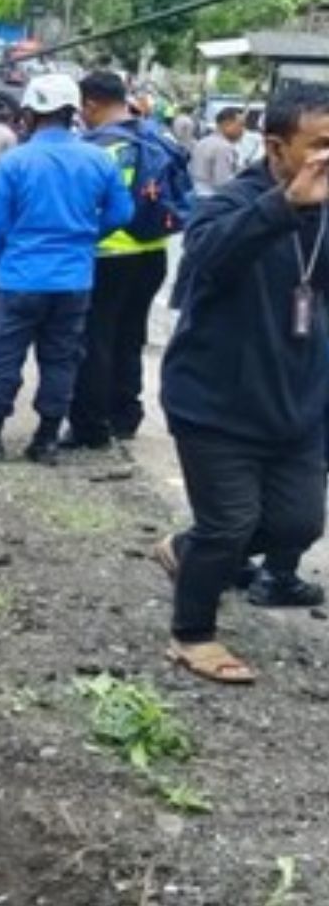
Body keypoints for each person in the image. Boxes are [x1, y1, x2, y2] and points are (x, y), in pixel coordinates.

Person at [153, 78, 329, 684]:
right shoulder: (233, 201)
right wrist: (284, 206)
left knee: (297, 524)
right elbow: (205, 256)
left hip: (297, 403)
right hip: (216, 402)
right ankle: (192, 635)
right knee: (227, 526)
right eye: (320, 144)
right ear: (276, 147)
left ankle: (188, 550)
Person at [0, 75, 134, 464]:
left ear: (28, 113)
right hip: (74, 277)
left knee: (3, 355)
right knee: (61, 358)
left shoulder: (14, 162)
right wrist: (86, 235)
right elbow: (122, 212)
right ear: (73, 112)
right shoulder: (97, 159)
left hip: (19, 275)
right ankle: (46, 440)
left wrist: (3, 260)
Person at [66, 70, 191, 452]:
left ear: (91, 104)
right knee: (130, 337)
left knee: (95, 340)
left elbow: (92, 204)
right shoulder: (157, 136)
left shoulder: (100, 147)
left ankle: (91, 425)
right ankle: (125, 415)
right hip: (152, 253)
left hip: (108, 254)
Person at [191, 107, 245, 198]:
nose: (243, 130)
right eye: (240, 125)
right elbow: (223, 182)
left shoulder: (202, 142)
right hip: (213, 199)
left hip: (196, 195)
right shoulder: (223, 147)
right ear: (226, 124)